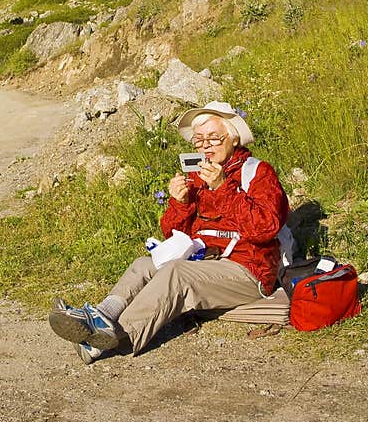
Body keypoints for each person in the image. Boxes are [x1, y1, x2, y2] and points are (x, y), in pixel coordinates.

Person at [49, 101, 290, 364]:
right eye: (199, 140)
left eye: (213, 138)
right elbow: (175, 234)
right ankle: (102, 316)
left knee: (177, 273)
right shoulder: (199, 176)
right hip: (206, 260)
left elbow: (265, 228)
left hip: (247, 270)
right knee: (144, 264)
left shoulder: (258, 172)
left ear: (233, 137)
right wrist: (180, 203)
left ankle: (116, 335)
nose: (205, 145)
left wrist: (222, 188)